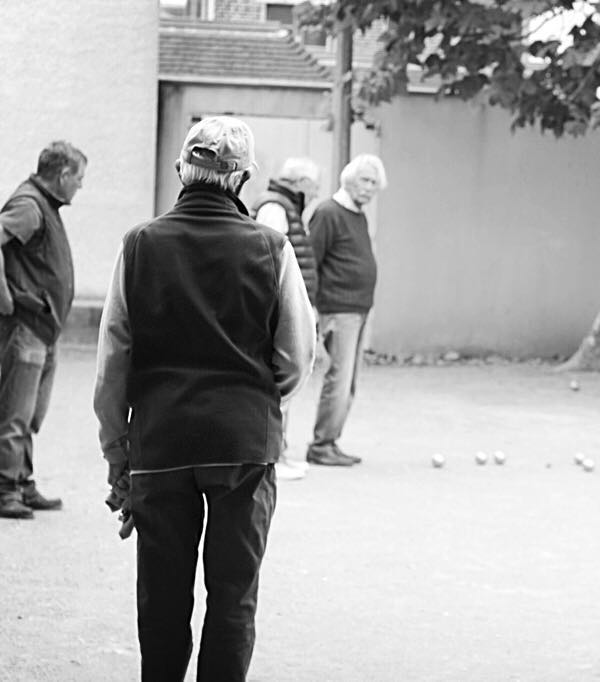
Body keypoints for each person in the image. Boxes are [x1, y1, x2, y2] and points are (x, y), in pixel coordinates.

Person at [93, 116, 316, 681]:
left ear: (180, 173)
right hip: (243, 444)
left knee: (162, 596)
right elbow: (296, 356)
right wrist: (263, 405)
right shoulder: (272, 247)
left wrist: (118, 453)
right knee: (233, 595)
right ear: (242, 179)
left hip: (161, 443)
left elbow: (113, 362)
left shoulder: (139, 245)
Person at [0, 141, 87, 520]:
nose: (80, 186)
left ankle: (21, 481)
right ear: (63, 174)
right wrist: (4, 297)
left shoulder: (41, 204)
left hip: (42, 327)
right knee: (15, 413)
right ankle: (5, 490)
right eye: (79, 178)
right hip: (26, 325)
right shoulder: (30, 206)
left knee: (31, 412)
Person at [305, 154, 387, 467]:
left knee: (349, 380)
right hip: (338, 308)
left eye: (374, 184)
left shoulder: (358, 215)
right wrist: (312, 307)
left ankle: (330, 440)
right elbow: (312, 261)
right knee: (339, 379)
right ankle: (321, 444)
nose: (370, 188)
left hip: (358, 307)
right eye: (365, 180)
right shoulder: (328, 212)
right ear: (348, 179)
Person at [252, 157, 320, 480]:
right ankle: (271, 456)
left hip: (286, 307)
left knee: (285, 383)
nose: (317, 191)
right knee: (278, 382)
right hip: (276, 310)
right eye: (314, 184)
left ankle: (278, 451)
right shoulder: (275, 207)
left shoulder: (286, 206)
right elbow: (267, 257)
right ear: (300, 183)